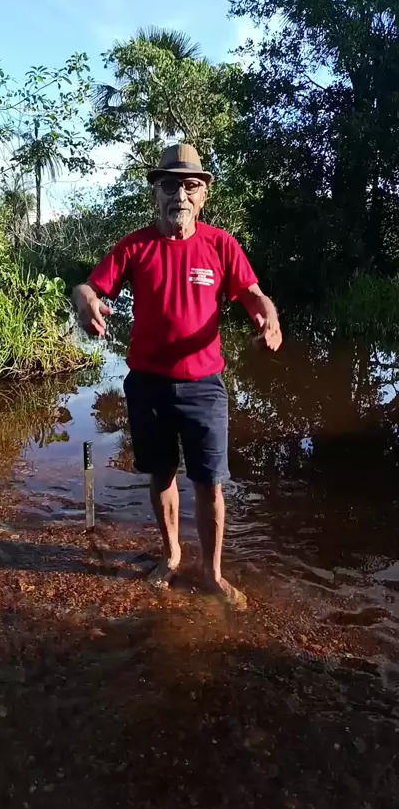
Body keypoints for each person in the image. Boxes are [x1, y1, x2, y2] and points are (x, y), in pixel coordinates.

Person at [72, 144, 282, 606]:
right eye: (170, 185)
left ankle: (212, 572)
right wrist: (85, 301)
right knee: (161, 474)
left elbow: (253, 294)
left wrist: (268, 317)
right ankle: (170, 556)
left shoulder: (221, 244)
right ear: (156, 193)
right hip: (147, 384)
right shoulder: (135, 245)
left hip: (204, 387)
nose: (180, 195)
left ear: (204, 194)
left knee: (209, 481)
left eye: (190, 185)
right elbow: (88, 287)